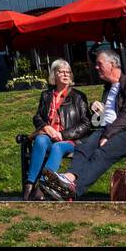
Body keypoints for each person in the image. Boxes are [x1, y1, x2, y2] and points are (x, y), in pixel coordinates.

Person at [42, 48, 126, 200]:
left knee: (101, 153)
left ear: (112, 65)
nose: (96, 67)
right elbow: (110, 115)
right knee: (83, 148)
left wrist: (108, 135)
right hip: (108, 129)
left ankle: (74, 191)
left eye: (99, 64)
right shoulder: (108, 88)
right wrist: (99, 109)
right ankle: (68, 179)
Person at [23, 60, 92, 200]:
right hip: (49, 136)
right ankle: (30, 184)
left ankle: (42, 186)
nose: (66, 75)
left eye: (68, 72)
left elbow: (86, 123)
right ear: (54, 74)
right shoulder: (46, 95)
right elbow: (37, 117)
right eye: (61, 71)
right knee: (41, 140)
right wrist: (46, 127)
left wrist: (63, 134)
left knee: (57, 147)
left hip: (71, 140)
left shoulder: (78, 96)